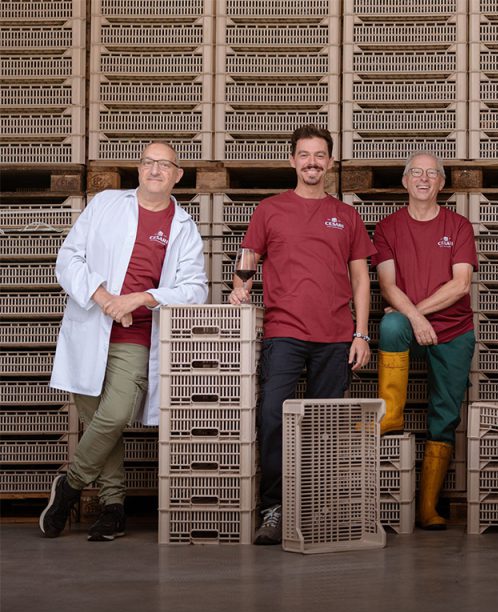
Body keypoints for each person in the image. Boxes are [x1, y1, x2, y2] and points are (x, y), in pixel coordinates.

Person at [41, 142, 208, 540]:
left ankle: (69, 486)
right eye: (148, 162)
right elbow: (69, 259)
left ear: (177, 175)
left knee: (114, 416)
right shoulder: (105, 205)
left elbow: (195, 288)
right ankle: (114, 506)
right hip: (89, 329)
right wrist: (105, 300)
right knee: (102, 423)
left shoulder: (183, 227)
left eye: (164, 165)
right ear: (139, 168)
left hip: (136, 335)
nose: (155, 170)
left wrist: (142, 298)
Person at [229, 125, 375, 545]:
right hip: (284, 331)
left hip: (334, 335)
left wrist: (361, 334)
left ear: (330, 163)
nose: (312, 162)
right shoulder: (270, 209)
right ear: (293, 161)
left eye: (320, 155)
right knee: (273, 418)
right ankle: (274, 509)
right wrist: (241, 283)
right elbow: (250, 254)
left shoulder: (346, 215)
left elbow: (361, 279)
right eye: (304, 155)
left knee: (325, 426)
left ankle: (316, 507)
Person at [373, 151, 477, 531]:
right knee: (391, 326)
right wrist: (415, 317)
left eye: (431, 174)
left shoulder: (459, 226)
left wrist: (417, 312)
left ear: (441, 184)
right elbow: (387, 285)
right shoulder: (387, 228)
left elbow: (461, 283)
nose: (423, 179)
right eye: (415, 173)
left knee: (445, 416)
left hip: (454, 329)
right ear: (404, 181)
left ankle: (428, 507)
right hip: (411, 321)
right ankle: (392, 414)